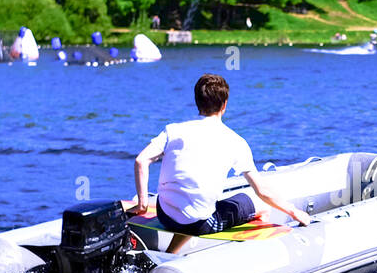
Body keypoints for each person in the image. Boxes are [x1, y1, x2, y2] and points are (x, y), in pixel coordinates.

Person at [128, 74, 311, 254]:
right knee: (259, 205)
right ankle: (252, 255)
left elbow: (141, 160)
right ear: (224, 105)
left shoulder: (173, 130)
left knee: (193, 205)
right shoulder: (235, 141)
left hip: (165, 214)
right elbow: (262, 191)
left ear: (197, 102)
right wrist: (295, 212)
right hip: (200, 224)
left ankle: (171, 252)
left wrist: (142, 204)